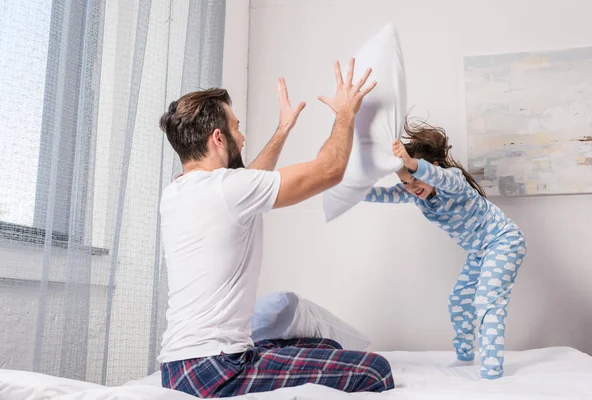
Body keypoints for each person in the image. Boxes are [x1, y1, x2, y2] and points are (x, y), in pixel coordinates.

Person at [157, 59, 394, 398]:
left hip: (184, 366)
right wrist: (345, 114)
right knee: (373, 371)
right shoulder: (225, 190)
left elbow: (246, 182)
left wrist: (283, 131)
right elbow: (329, 171)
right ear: (218, 138)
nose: (243, 134)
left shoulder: (180, 191)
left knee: (325, 346)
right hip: (217, 370)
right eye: (237, 127)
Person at [364, 120, 527, 379]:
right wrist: (344, 185)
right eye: (406, 183)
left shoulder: (454, 181)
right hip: (480, 252)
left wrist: (412, 163)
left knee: (488, 300)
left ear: (431, 168)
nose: (412, 187)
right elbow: (379, 195)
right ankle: (465, 359)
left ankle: (492, 372)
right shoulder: (414, 192)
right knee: (459, 300)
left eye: (415, 179)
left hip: (503, 241)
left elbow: (436, 176)